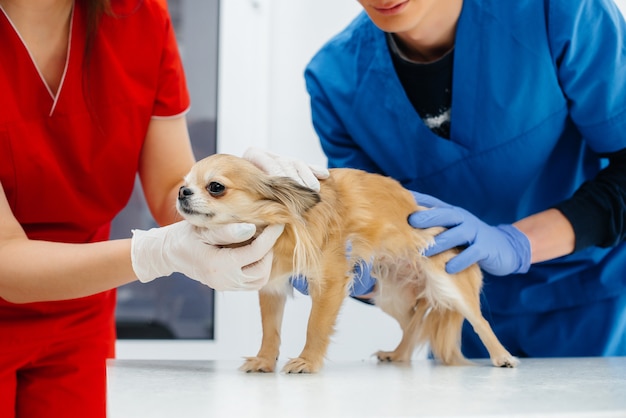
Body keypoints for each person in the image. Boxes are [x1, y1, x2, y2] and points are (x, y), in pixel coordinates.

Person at [0, 1, 328, 417]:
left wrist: (237, 199)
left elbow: (171, 189)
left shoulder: (138, 16)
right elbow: (5, 259)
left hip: (81, 309)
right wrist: (158, 252)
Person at [300, 0, 626, 358]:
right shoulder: (336, 81)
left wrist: (518, 244)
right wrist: (352, 269)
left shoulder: (559, 11)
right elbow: (371, 236)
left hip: (600, 306)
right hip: (457, 324)